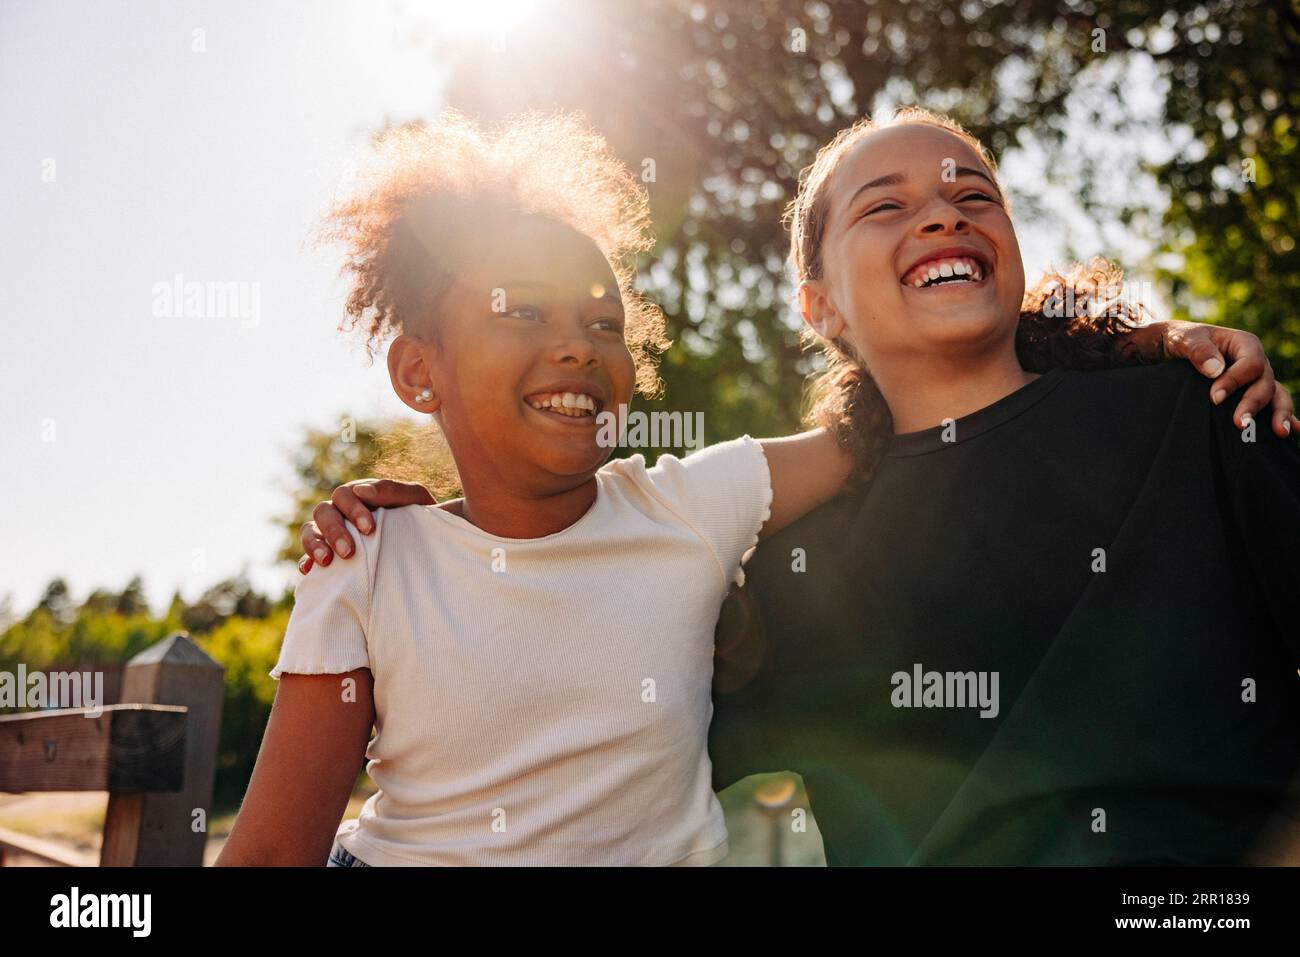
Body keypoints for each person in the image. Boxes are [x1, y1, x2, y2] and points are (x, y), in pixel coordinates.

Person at [309, 108, 1299, 867]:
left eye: (973, 192)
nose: (942, 212)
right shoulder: (792, 567)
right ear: (818, 305)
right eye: (886, 206)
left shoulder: (1198, 413)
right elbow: (586, 728)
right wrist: (439, 533)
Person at [218, 109, 863, 866]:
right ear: (421, 372)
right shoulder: (366, 558)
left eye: (604, 323)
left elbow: (875, 431)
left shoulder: (687, 507)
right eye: (522, 309)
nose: (576, 346)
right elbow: (270, 854)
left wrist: (1029, 330)